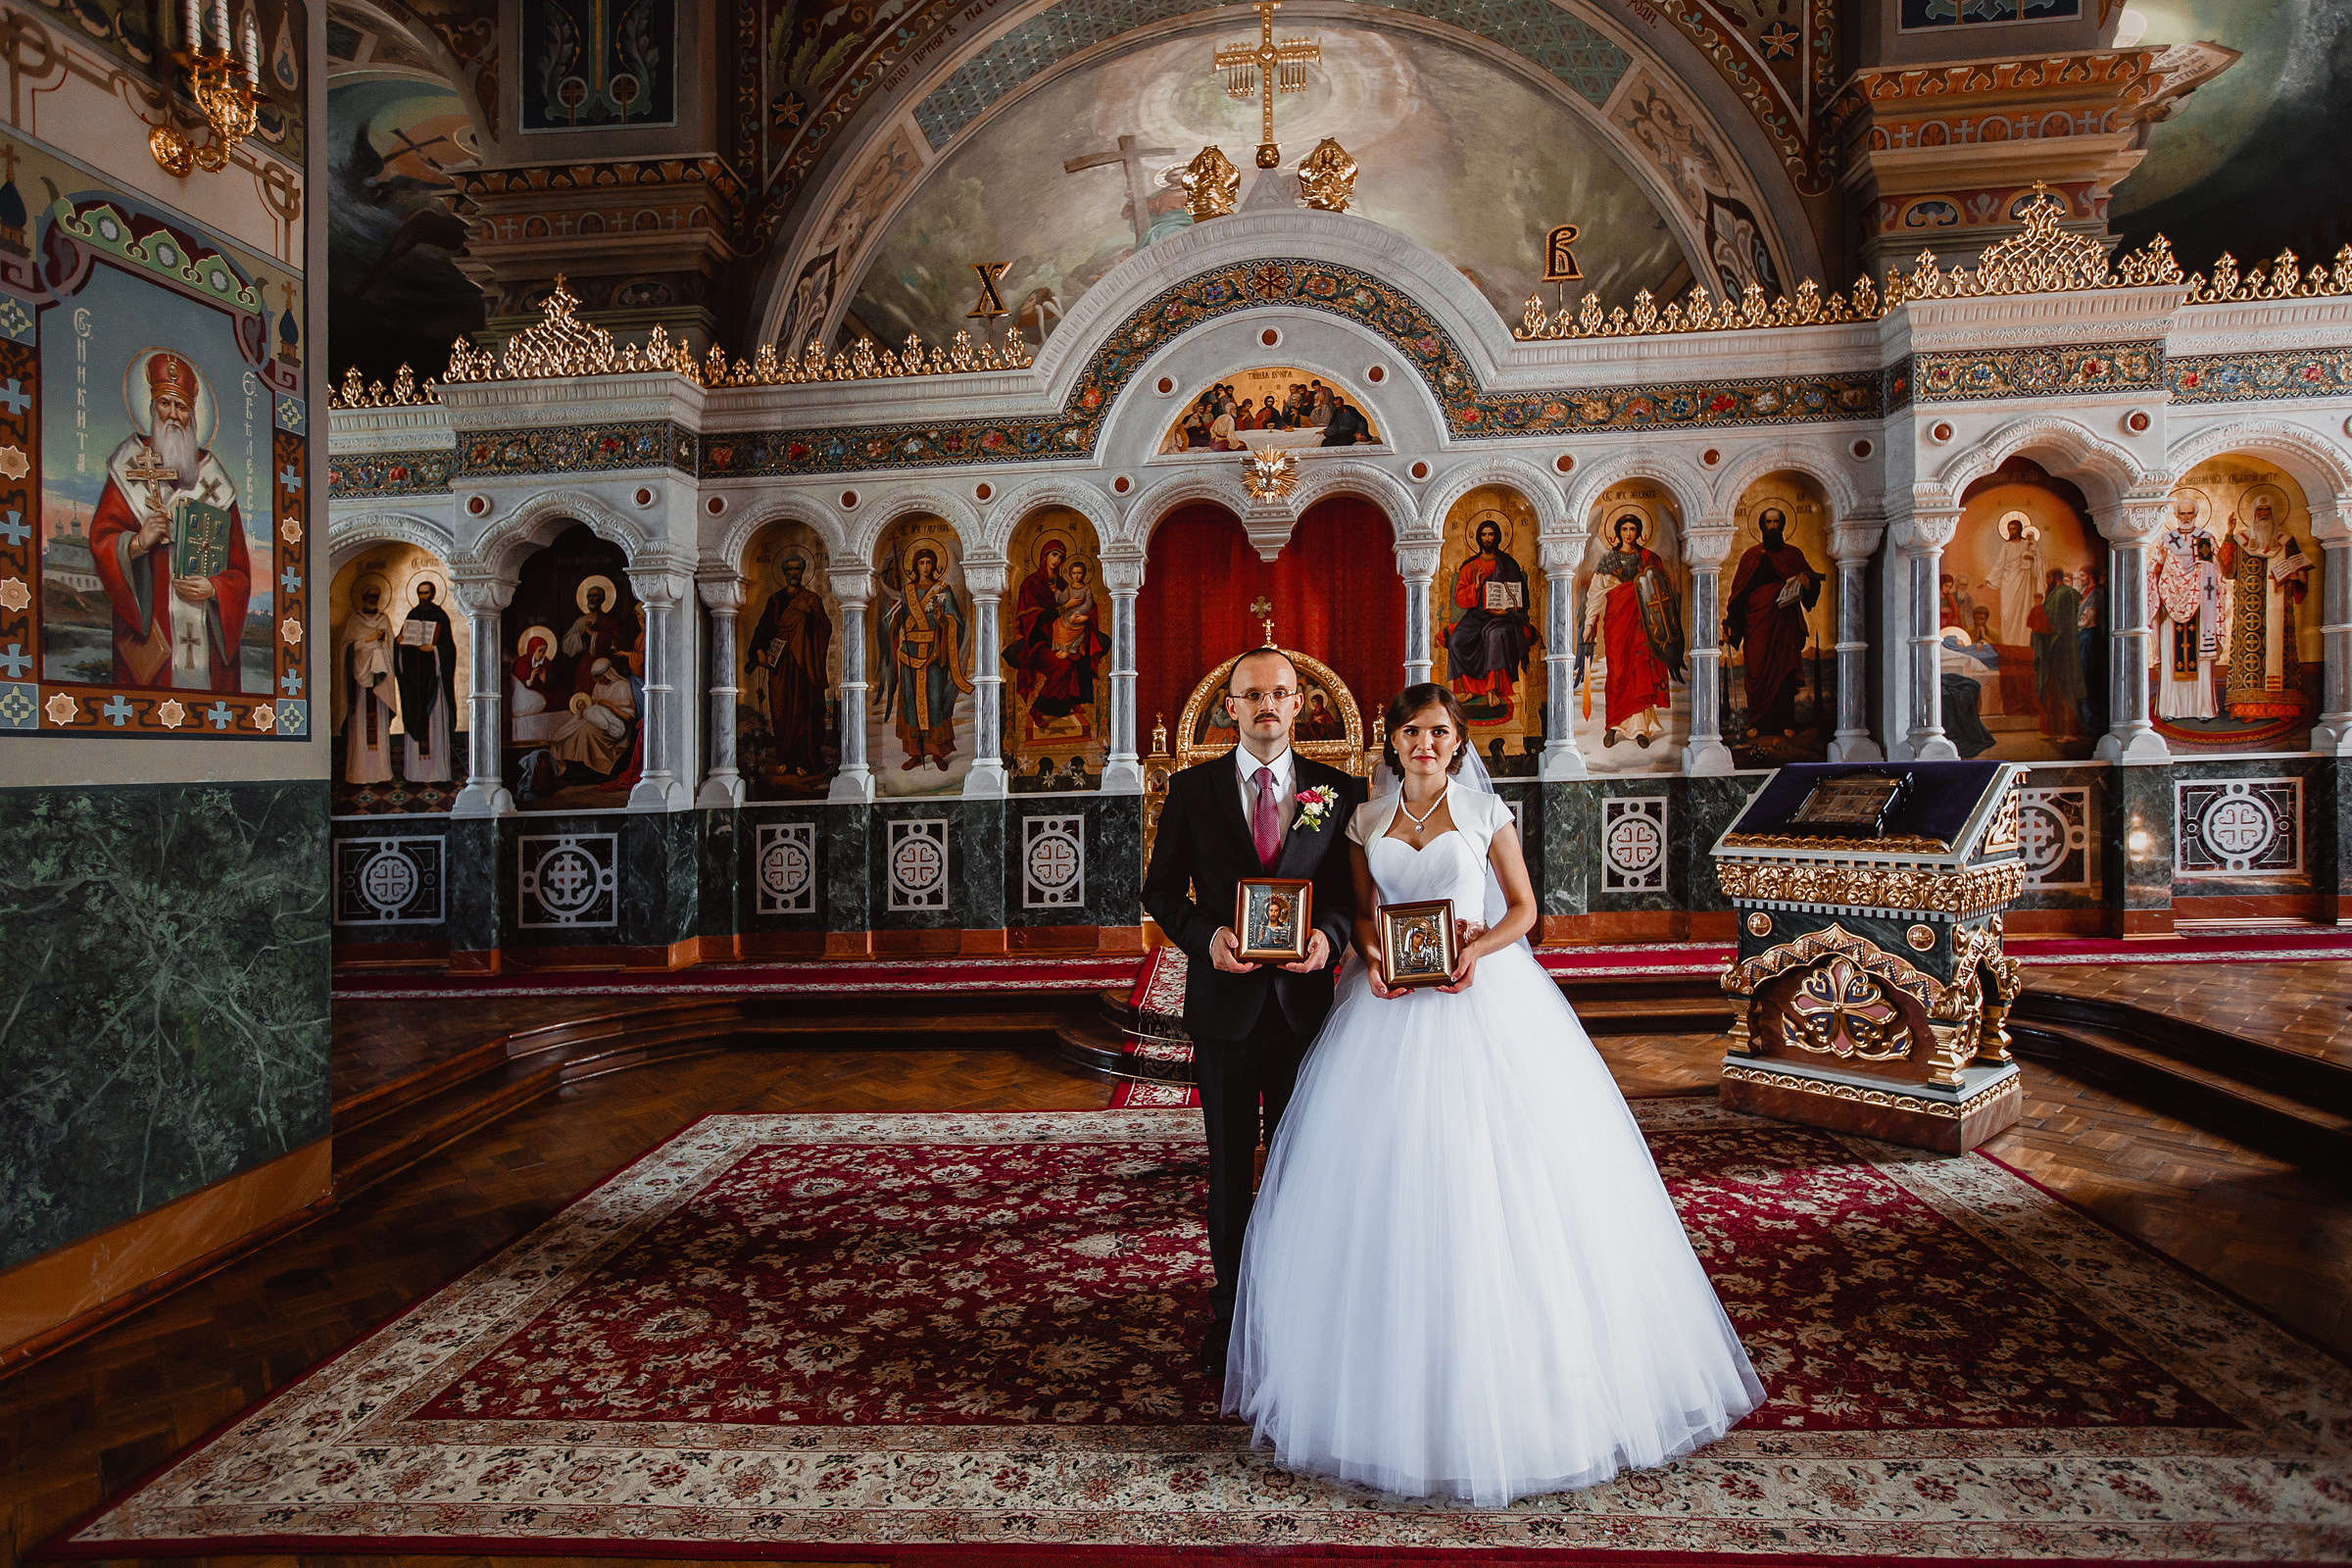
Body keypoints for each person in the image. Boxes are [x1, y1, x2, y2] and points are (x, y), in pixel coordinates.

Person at [1225, 683, 1762, 1504]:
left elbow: (1525, 911)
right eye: (1411, 732)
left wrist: (1477, 950)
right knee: (1384, 1185)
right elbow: (1365, 918)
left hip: (1485, 998)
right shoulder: (1365, 823)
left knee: (1505, 1180)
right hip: (1391, 1008)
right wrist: (1374, 960)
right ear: (1393, 742)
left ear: (1457, 738)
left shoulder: (1485, 812)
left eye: (1438, 731)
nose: (1425, 744)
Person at [1141, 646, 1366, 1380]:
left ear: (1301, 704)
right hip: (1226, 1010)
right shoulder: (1193, 790)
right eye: (1251, 695)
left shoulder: (1338, 790)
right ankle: (1235, 1320)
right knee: (1231, 1172)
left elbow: (1345, 896)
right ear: (1228, 708)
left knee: (1305, 1172)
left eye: (1280, 693)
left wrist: (1327, 941)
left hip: (1306, 1013)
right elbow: (1162, 891)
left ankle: (1304, 1319)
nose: (1267, 705)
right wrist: (1206, 937)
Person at [87, 352, 252, 691]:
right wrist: (137, 542)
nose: (174, 415)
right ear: (151, 407)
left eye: (182, 408)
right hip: (153, 628)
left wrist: (215, 588)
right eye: (165, 404)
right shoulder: (127, 466)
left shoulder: (215, 481)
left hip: (203, 624)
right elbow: (101, 540)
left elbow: (240, 571)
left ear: (192, 414)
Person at [1581, 514, 1683, 748]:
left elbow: (1661, 592)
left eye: (1633, 529)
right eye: (1624, 529)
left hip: (1643, 626)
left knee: (1640, 672)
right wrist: (1589, 623)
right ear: (1617, 532)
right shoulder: (1609, 561)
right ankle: (1612, 726)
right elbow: (1595, 594)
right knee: (1616, 675)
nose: (1629, 533)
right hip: (1617, 625)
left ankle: (1641, 729)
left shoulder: (1650, 559)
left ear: (1639, 532)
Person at [1722, 507, 1822, 737]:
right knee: (1756, 669)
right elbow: (1739, 596)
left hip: (1784, 623)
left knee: (1784, 671)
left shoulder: (1793, 555)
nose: (1773, 527)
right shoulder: (1751, 557)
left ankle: (1786, 722)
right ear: (1761, 526)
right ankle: (1757, 722)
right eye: (1768, 523)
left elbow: (1812, 581)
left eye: (1777, 522)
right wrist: (1732, 628)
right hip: (1757, 624)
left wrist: (1808, 584)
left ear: (1783, 525)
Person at [878, 545, 973, 769]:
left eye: (929, 562)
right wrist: (895, 623)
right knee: (911, 700)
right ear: (915, 566)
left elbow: (956, 621)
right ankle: (916, 752)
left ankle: (938, 751)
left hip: (934, 655)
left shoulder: (943, 590)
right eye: (921, 563)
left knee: (934, 699)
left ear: (934, 565)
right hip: (910, 654)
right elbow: (896, 620)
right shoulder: (907, 591)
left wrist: (943, 618)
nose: (925, 567)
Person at [2218, 492, 2311, 718]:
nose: (2262, 515)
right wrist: (2229, 535)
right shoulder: (2241, 540)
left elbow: (2299, 570)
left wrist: (2300, 577)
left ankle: (2283, 707)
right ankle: (2247, 708)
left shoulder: (2286, 541)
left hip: (2280, 607)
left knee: (2281, 654)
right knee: (2250, 656)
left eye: (2266, 511)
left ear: (2273, 513)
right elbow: (2228, 570)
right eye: (2259, 511)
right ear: (2252, 514)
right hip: (2248, 610)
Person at [748, 554, 834, 775]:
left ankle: (804, 762)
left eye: (797, 569)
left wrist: (808, 613)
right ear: (785, 573)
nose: (793, 574)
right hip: (781, 663)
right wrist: (758, 649)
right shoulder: (775, 600)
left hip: (804, 663)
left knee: (803, 710)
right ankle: (785, 758)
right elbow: (763, 628)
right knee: (781, 710)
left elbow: (824, 629)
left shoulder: (812, 600)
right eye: (789, 570)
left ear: (803, 572)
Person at [1445, 516, 1539, 712]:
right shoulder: (1470, 566)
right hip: (1478, 614)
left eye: (1491, 534)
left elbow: (1521, 596)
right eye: (1484, 535)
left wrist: (1508, 610)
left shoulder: (1508, 564)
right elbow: (1460, 598)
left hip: (1504, 616)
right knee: (1456, 640)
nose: (1487, 538)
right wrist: (1476, 585)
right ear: (1478, 538)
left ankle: (1492, 689)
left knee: (1494, 635)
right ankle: (1469, 689)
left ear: (1497, 537)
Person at [334, 579, 398, 784]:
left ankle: (381, 772)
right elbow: (346, 647)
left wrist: (381, 648)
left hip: (378, 682)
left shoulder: (384, 619)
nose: (372, 600)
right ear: (363, 598)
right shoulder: (354, 619)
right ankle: (359, 772)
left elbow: (391, 648)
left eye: (375, 597)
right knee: (360, 724)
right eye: (369, 597)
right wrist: (367, 640)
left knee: (378, 724)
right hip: (360, 682)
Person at [394, 580, 458, 783]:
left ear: (433, 594)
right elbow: (405, 641)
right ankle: (415, 773)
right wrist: (399, 643)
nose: (423, 597)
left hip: (433, 681)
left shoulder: (441, 616)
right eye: (420, 593)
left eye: (427, 593)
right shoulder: (411, 615)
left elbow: (449, 649)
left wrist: (435, 650)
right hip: (414, 682)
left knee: (434, 723)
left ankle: (437, 771)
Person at [2030, 566, 2085, 740]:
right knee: (2056, 690)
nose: (2046, 581)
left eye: (2048, 577)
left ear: (2055, 578)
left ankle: (2070, 732)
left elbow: (2054, 622)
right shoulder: (2058, 594)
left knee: (2065, 690)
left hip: (2062, 649)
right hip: (2057, 650)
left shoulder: (2063, 594)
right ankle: (2057, 730)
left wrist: (2038, 613)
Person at [1988, 513, 2043, 647]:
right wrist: (1989, 580)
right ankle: (2009, 643)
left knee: (2024, 611)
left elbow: (2039, 558)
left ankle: (2024, 643)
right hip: (2009, 582)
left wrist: (2032, 559)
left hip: (2024, 581)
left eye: (2014, 528)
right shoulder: (2006, 546)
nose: (2012, 531)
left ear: (2019, 529)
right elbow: (1999, 564)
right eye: (2010, 529)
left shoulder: (2028, 543)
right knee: (2007, 613)